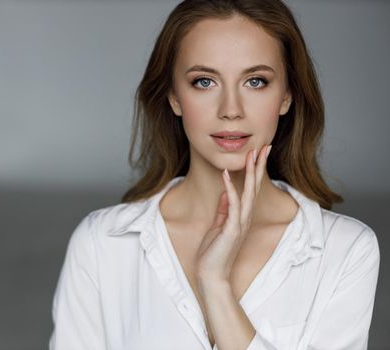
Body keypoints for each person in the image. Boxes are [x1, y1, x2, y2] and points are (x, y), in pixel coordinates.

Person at [48, 0, 380, 349]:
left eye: (255, 81)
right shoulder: (104, 244)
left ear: (287, 96)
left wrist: (215, 283)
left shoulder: (345, 250)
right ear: (174, 97)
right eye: (204, 82)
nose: (231, 110)